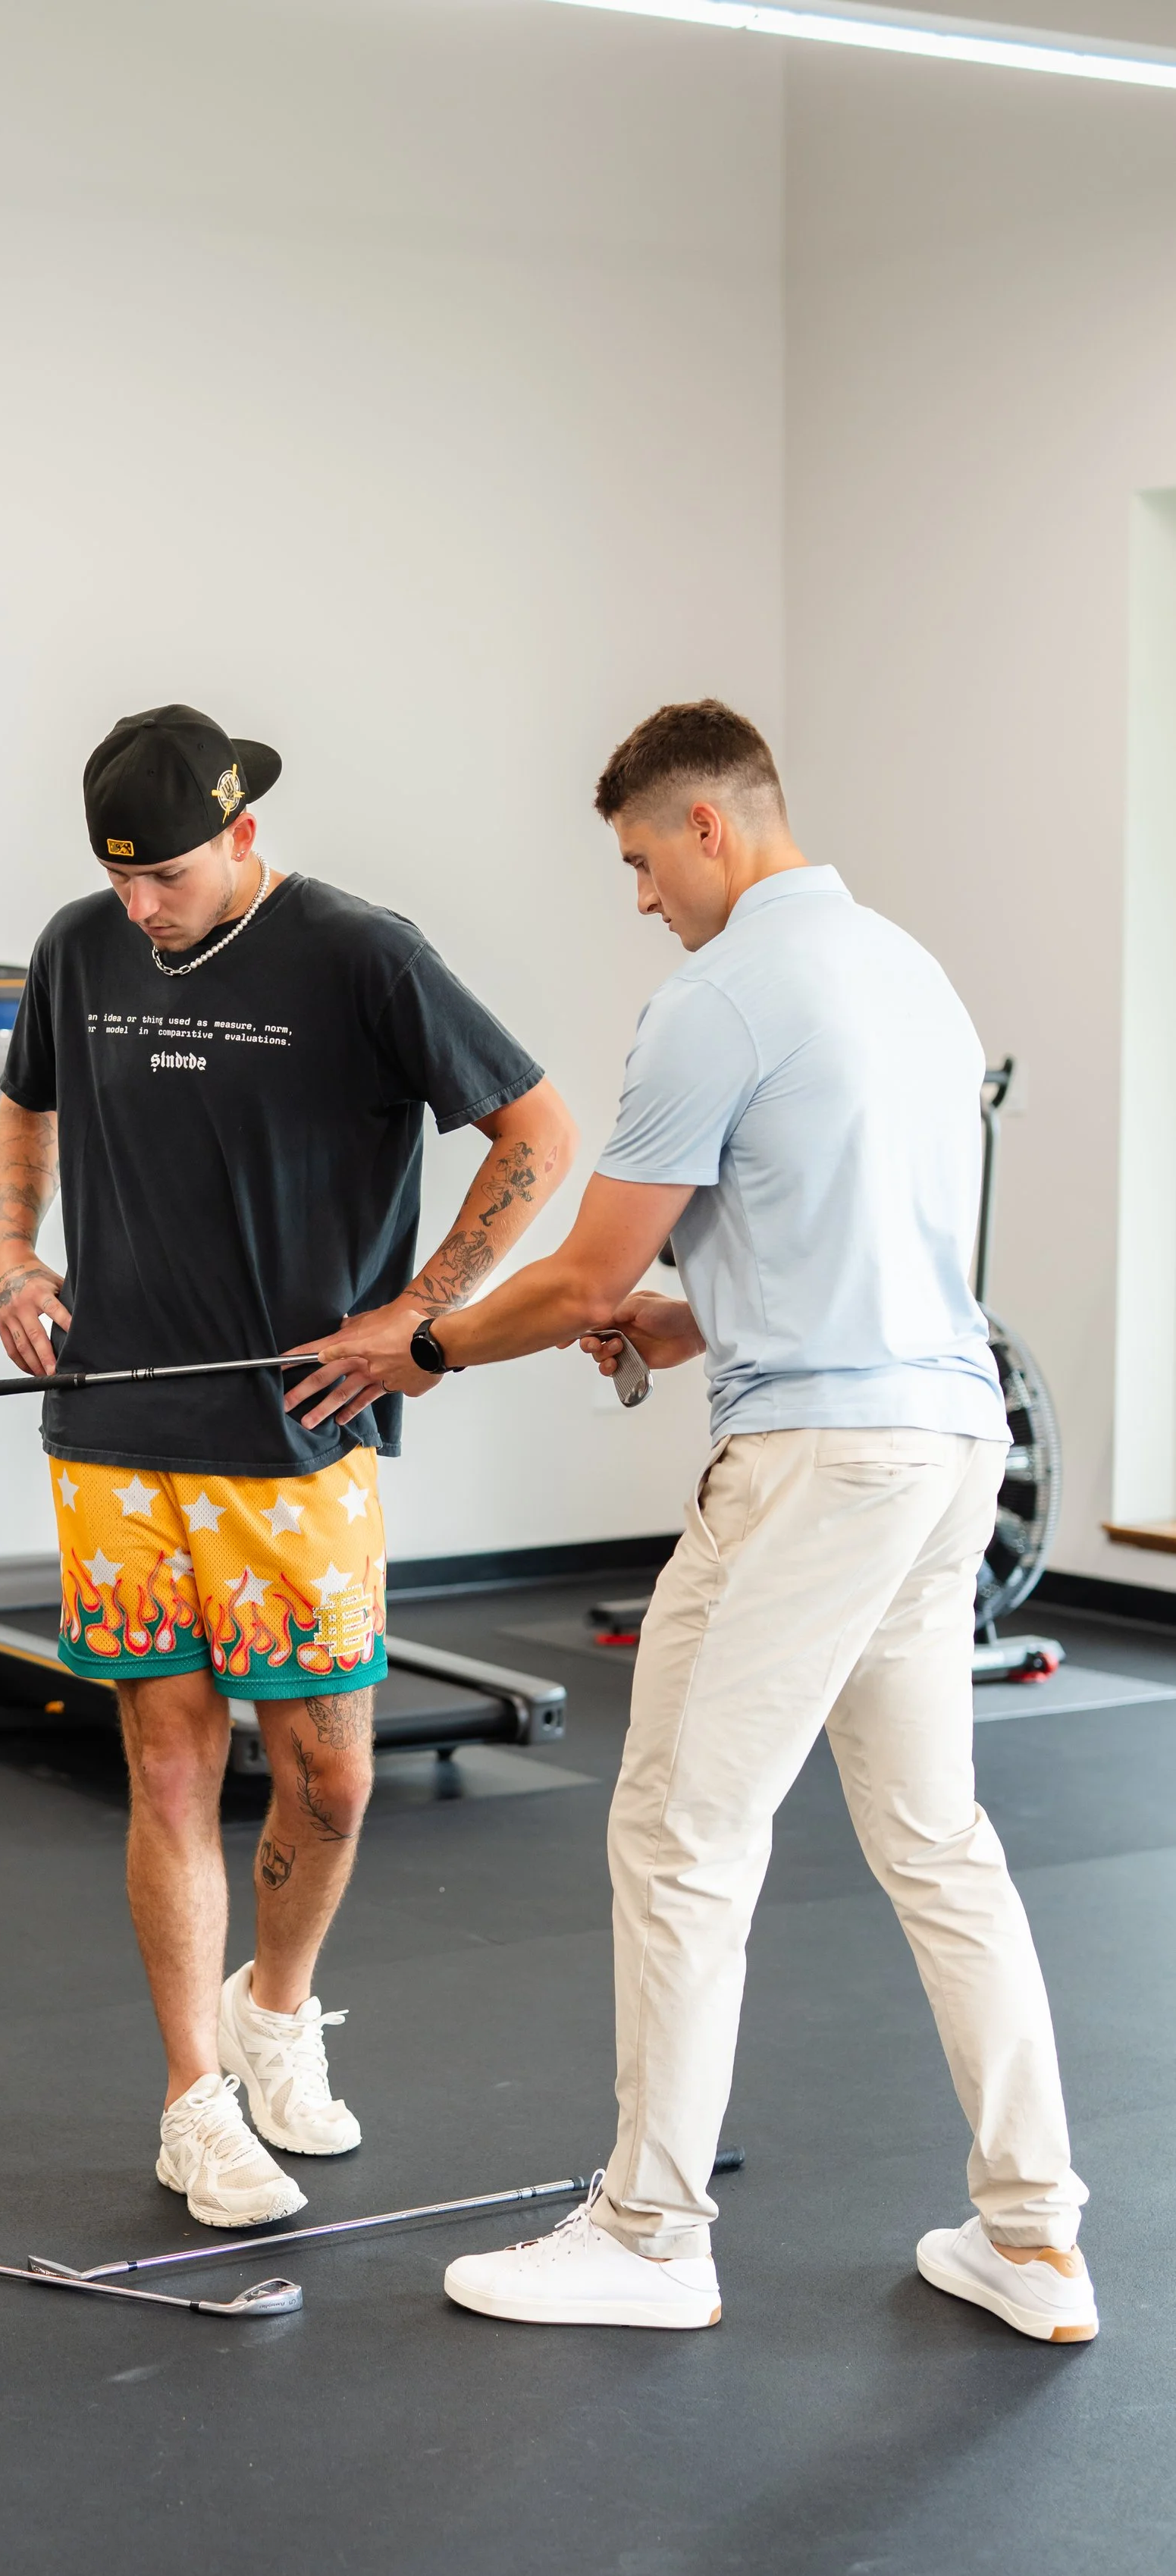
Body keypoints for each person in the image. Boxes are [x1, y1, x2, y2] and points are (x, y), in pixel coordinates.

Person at [316, 698, 1096, 2342]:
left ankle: (650, 2233)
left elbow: (587, 1273)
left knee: (679, 1833)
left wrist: (427, 1338)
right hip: (942, 1440)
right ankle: (1031, 2236)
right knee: (935, 1845)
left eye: (636, 864)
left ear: (703, 829)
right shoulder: (909, 974)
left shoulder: (714, 996)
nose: (641, 901)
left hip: (817, 1463)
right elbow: (839, 1236)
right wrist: (699, 1317)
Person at [0, 704, 575, 2226]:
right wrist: (7, 1248)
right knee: (169, 1762)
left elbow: (535, 1129)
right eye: (117, 877)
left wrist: (420, 1311)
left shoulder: (360, 953)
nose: (138, 904)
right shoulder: (76, 947)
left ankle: (274, 2010)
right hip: (115, 1425)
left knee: (330, 1772)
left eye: (166, 876)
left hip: (295, 1434)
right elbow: (23, 1099)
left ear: (242, 837)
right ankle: (192, 2099)